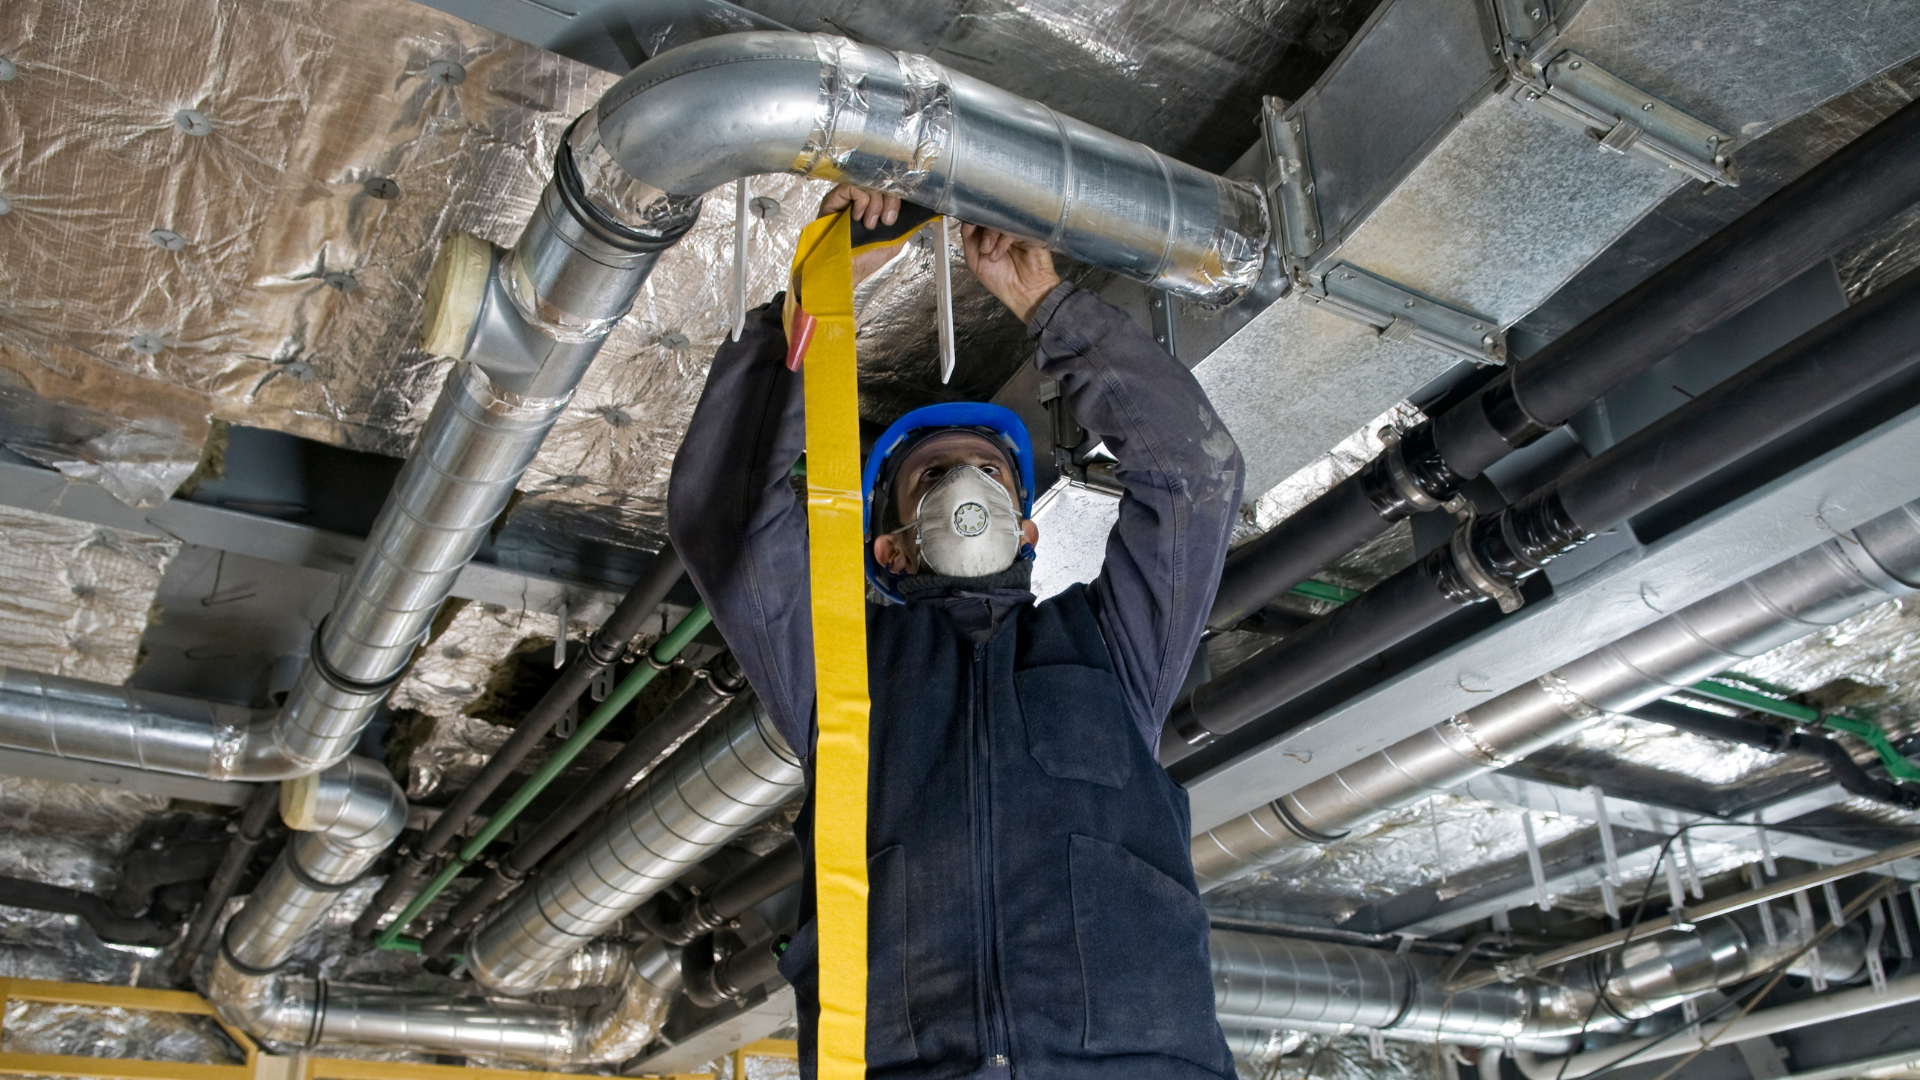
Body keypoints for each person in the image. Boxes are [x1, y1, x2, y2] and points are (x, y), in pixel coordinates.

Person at [668, 183, 1244, 1079]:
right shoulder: (845, 674)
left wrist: (1045, 302)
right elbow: (725, 517)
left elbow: (1192, 476)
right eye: (932, 480)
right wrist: (818, 302)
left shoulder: (1111, 652)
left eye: (986, 472)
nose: (966, 489)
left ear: (1028, 531)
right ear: (889, 550)